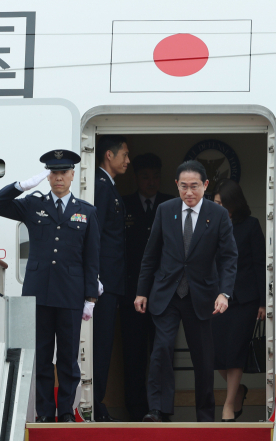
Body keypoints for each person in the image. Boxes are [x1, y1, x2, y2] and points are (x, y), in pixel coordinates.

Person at [0, 150, 100, 422]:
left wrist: (90, 298)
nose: (58, 177)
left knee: (69, 360)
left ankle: (66, 412)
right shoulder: (31, 204)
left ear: (73, 175)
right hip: (38, 293)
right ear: (47, 176)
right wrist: (21, 186)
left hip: (71, 294)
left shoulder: (86, 211)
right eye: (53, 172)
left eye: (63, 172)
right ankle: (46, 413)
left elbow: (92, 258)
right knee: (42, 358)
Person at [135, 160, 238, 423]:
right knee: (161, 350)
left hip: (202, 296)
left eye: (194, 186)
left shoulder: (217, 215)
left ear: (205, 185)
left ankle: (204, 415)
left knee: (203, 359)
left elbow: (229, 257)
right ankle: (158, 409)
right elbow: (151, 255)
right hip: (166, 294)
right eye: (183, 186)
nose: (189, 192)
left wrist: (224, 293)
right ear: (176, 186)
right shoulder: (165, 209)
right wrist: (141, 292)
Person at [120, 153, 173, 421]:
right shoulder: (124, 204)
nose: (151, 182)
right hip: (132, 293)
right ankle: (136, 409)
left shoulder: (170, 204)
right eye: (145, 176)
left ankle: (161, 409)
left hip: (166, 293)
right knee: (134, 352)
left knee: (163, 351)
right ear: (136, 177)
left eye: (155, 176)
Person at [211, 179, 266, 422]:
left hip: (245, 301)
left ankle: (229, 404)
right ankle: (240, 390)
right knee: (215, 355)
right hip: (215, 300)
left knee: (235, 353)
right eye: (215, 203)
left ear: (234, 204)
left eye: (222, 203)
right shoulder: (208, 224)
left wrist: (264, 302)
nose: (218, 207)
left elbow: (259, 265)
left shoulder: (251, 226)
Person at [93, 135, 130, 422]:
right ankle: (95, 403)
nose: (127, 160)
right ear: (109, 155)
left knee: (104, 343)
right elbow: (96, 235)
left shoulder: (109, 186)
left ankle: (97, 400)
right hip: (103, 282)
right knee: (101, 344)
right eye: (124, 155)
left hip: (111, 280)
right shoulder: (101, 186)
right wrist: (96, 277)